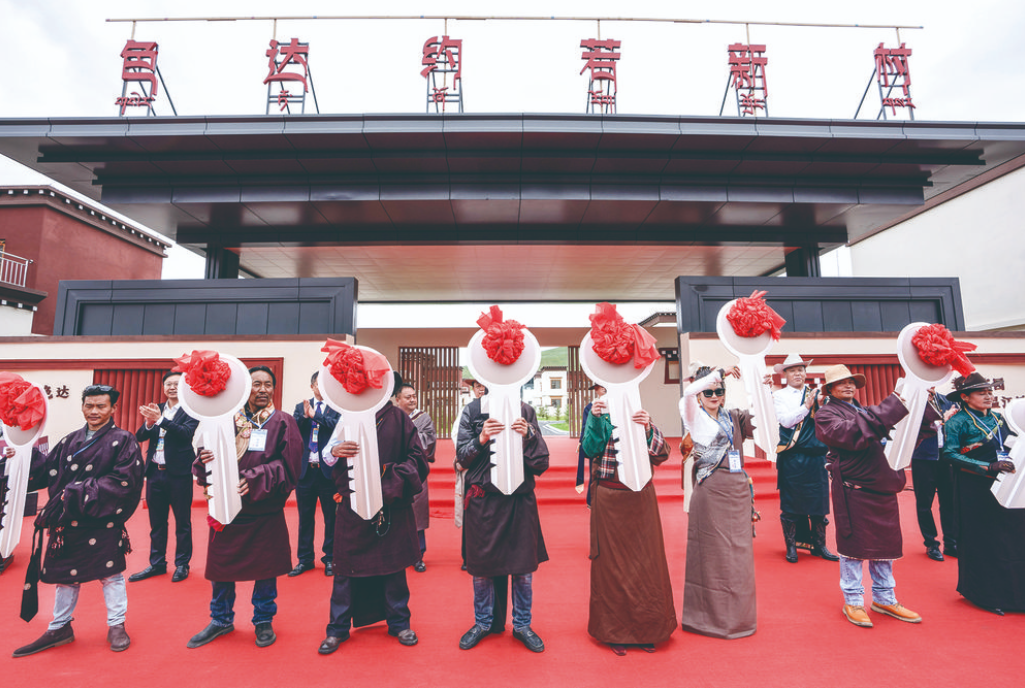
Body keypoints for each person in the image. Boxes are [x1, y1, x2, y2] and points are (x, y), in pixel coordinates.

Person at [13, 384, 144, 657]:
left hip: (102, 520)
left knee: (110, 574)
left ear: (113, 408)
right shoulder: (70, 440)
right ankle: (59, 627)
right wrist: (24, 454)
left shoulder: (124, 440)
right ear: (82, 406)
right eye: (89, 405)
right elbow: (49, 470)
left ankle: (116, 625)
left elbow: (124, 482)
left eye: (101, 406)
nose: (94, 411)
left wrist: (74, 493)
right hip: (68, 520)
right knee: (66, 578)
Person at [187, 366, 302, 649]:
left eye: (268, 384)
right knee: (221, 569)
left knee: (266, 569)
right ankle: (220, 619)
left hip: (263, 510)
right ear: (244, 389)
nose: (262, 389)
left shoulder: (283, 422)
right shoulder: (225, 421)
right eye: (256, 384)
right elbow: (203, 463)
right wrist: (204, 460)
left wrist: (255, 478)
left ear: (274, 389)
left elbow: (291, 468)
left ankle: (263, 619)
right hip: (227, 508)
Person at [317, 391, 429, 654]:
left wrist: (386, 475)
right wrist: (334, 450)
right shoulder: (347, 417)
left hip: (391, 505)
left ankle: (399, 623)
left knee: (394, 567)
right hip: (352, 505)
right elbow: (327, 455)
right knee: (345, 570)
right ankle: (337, 628)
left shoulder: (398, 418)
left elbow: (418, 459)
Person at [815, 364, 920, 629]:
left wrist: (919, 399)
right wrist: (895, 404)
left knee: (885, 547)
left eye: (851, 382)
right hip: (854, 490)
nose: (848, 386)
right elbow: (851, 434)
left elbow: (896, 433)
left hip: (883, 486)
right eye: (841, 383)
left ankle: (885, 598)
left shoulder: (863, 411)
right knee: (853, 549)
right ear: (830, 389)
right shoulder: (826, 414)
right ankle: (853, 601)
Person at [580, 397, 675, 654]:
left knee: (646, 565)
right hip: (609, 498)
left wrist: (648, 428)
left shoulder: (639, 412)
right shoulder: (599, 414)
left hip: (641, 499)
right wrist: (595, 419)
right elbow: (590, 449)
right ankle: (615, 631)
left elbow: (662, 454)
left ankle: (647, 630)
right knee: (611, 567)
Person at [456, 396, 549, 653]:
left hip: (520, 501)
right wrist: (481, 438)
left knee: (523, 570)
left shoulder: (525, 410)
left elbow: (541, 463)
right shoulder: (473, 410)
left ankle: (522, 625)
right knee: (482, 570)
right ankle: (483, 622)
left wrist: (529, 435)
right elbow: (461, 458)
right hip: (483, 502)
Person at [678, 366, 757, 639]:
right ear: (700, 394)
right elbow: (687, 395)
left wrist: (760, 385)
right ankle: (707, 619)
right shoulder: (693, 415)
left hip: (737, 490)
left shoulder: (733, 416)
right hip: (711, 490)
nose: (714, 396)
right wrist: (717, 373)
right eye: (708, 392)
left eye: (718, 391)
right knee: (713, 556)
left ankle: (739, 618)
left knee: (739, 558)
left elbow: (763, 420)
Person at [942, 372, 1025, 614]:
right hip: (974, 489)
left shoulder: (1001, 419)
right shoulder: (957, 422)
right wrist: (987, 466)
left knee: (1012, 538)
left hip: (1006, 485)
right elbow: (949, 455)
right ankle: (986, 595)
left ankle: (1016, 594)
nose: (988, 396)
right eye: (981, 393)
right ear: (965, 397)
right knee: (984, 540)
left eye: (990, 392)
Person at [129, 370, 200, 584]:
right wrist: (149, 423)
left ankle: (182, 564)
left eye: (177, 384)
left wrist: (160, 420)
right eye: (168, 384)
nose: (172, 387)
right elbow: (140, 436)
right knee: (157, 522)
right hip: (154, 473)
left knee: (182, 522)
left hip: (179, 474)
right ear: (163, 387)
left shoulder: (191, 410)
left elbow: (185, 434)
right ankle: (157, 563)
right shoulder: (157, 408)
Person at [772, 354, 838, 563]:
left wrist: (821, 405)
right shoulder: (779, 396)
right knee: (791, 505)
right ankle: (791, 547)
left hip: (817, 457)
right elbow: (785, 421)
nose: (797, 374)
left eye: (800, 369)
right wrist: (806, 407)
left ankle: (820, 546)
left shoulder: (817, 394)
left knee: (819, 505)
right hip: (792, 456)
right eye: (792, 370)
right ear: (785, 374)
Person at [290, 371, 341, 577]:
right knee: (305, 518)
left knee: (331, 518)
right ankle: (305, 559)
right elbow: (293, 430)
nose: (323, 387)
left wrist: (315, 416)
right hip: (305, 472)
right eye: (319, 383)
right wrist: (305, 416)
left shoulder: (336, 408)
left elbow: (336, 427)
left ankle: (330, 558)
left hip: (328, 472)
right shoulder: (300, 407)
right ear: (312, 386)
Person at [394, 383, 436, 572]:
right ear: (398, 399)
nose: (412, 400)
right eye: (408, 397)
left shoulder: (423, 418)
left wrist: (403, 439)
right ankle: (396, 553)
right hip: (395, 472)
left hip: (416, 472)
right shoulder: (392, 417)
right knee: (396, 513)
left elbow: (428, 441)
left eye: (414, 396)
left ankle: (418, 555)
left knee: (416, 514)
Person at [911, 389, 958, 561]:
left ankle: (951, 542)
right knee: (924, 503)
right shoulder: (912, 402)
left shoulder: (947, 401)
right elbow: (908, 428)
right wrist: (940, 421)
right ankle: (931, 543)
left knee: (950, 501)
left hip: (947, 458)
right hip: (923, 457)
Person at [575, 383, 607, 502]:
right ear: (595, 389)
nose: (603, 388)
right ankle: (593, 501)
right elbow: (585, 427)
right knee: (595, 473)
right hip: (595, 444)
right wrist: (581, 441)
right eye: (599, 386)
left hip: (614, 445)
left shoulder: (618, 404)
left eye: (604, 385)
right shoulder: (590, 407)